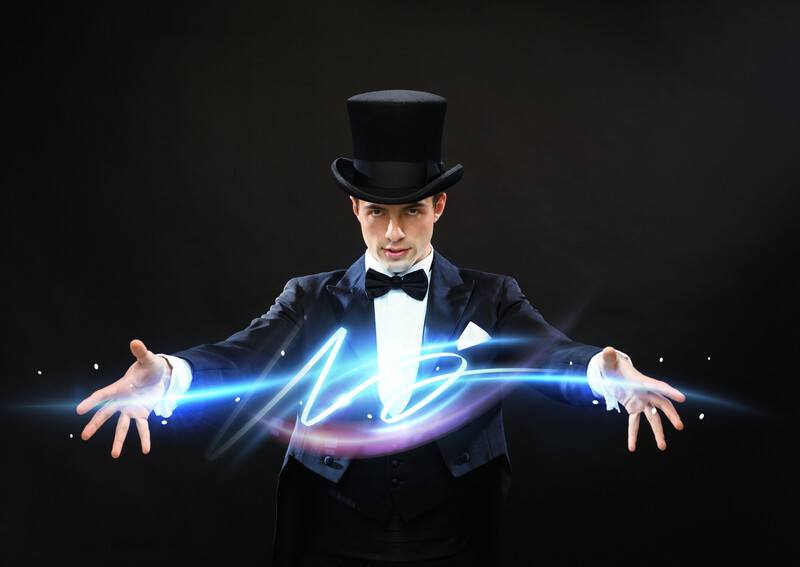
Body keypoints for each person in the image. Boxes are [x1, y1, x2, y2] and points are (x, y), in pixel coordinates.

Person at [76, 89, 686, 567]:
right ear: (354, 210)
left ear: (439, 207)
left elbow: (550, 356)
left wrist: (604, 372)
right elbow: (243, 356)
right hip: (332, 540)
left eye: (412, 211)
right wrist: (171, 374)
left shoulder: (492, 296)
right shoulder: (309, 298)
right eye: (377, 213)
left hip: (454, 542)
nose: (393, 234)